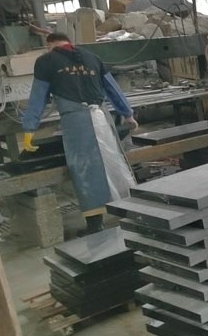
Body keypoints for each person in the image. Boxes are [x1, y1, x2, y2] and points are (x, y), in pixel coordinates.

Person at [22, 32, 138, 237]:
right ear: (70, 43)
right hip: (102, 118)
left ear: (50, 45)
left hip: (77, 122)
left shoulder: (45, 61)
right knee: (114, 164)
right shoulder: (92, 57)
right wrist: (128, 114)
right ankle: (131, 211)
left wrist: (29, 128)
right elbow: (113, 89)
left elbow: (38, 97)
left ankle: (95, 224)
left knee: (85, 171)